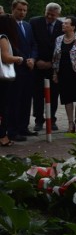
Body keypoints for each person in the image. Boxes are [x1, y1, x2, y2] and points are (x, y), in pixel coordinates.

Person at [52, 17, 76, 133]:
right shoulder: (59, 39)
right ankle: (70, 123)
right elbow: (55, 57)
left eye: (66, 23)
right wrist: (55, 72)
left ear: (73, 26)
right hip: (63, 72)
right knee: (67, 97)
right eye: (63, 23)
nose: (63, 25)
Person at [7, 0, 38, 141]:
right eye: (20, 10)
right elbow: (12, 46)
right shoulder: (8, 25)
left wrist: (33, 58)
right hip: (16, 67)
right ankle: (12, 130)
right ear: (13, 9)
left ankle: (23, 127)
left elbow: (33, 44)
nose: (22, 13)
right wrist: (26, 60)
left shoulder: (27, 25)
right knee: (15, 100)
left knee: (27, 99)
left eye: (25, 10)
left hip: (29, 69)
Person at [30, 2, 63, 132]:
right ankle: (38, 120)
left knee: (54, 95)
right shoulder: (35, 22)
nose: (49, 17)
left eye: (53, 15)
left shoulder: (62, 26)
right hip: (37, 65)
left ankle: (52, 119)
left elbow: (60, 48)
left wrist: (51, 63)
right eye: (48, 13)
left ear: (58, 15)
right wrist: (37, 60)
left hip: (53, 67)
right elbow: (32, 42)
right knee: (37, 95)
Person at [0, 14, 25, 146]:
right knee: (4, 107)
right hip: (3, 79)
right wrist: (18, 59)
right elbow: (5, 57)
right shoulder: (3, 38)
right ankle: (3, 137)